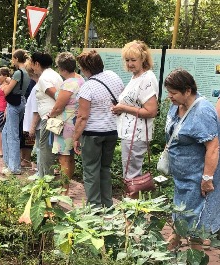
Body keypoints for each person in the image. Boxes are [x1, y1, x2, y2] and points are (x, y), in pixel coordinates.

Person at [164, 68, 220, 250]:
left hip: (198, 179)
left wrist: (207, 178)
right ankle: (169, 250)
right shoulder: (177, 105)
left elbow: (213, 147)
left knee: (196, 224)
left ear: (187, 91)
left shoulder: (202, 111)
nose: (170, 97)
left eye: (173, 93)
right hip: (182, 178)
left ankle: (196, 262)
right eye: (168, 92)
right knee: (180, 215)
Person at [73, 50, 124, 209]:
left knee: (91, 170)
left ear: (86, 68)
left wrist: (75, 138)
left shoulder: (87, 87)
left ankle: (94, 207)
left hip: (92, 133)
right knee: (105, 168)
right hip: (112, 131)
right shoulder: (114, 77)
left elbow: (82, 117)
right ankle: (108, 204)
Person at [112, 40, 158, 181]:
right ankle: (131, 200)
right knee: (129, 173)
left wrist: (123, 107)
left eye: (133, 60)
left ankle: (132, 201)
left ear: (143, 59)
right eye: (127, 60)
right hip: (130, 133)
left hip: (136, 134)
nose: (130, 64)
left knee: (131, 176)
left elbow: (151, 111)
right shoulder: (136, 77)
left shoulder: (147, 78)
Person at [48, 52, 85, 195]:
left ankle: (64, 191)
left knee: (63, 158)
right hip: (75, 122)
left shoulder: (69, 83)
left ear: (62, 69)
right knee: (70, 157)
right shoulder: (80, 79)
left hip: (65, 123)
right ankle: (66, 187)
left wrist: (50, 115)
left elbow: (58, 106)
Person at [30, 52, 63, 178]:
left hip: (48, 119)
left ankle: (45, 181)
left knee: (45, 149)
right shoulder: (54, 75)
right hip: (54, 117)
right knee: (49, 148)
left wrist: (52, 113)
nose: (32, 68)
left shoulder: (44, 78)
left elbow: (58, 96)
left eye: (32, 64)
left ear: (37, 64)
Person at [1, 49, 31, 175]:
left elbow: (7, 91)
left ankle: (14, 167)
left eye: (13, 58)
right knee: (5, 132)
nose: (12, 61)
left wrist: (4, 87)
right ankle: (9, 163)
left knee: (13, 135)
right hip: (22, 101)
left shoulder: (18, 73)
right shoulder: (27, 73)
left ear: (17, 59)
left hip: (14, 104)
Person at [23, 61, 41, 178]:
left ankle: (40, 172)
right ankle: (39, 170)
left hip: (37, 124)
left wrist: (32, 127)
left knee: (39, 148)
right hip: (35, 123)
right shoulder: (36, 85)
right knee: (38, 148)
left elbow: (36, 109)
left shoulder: (37, 87)